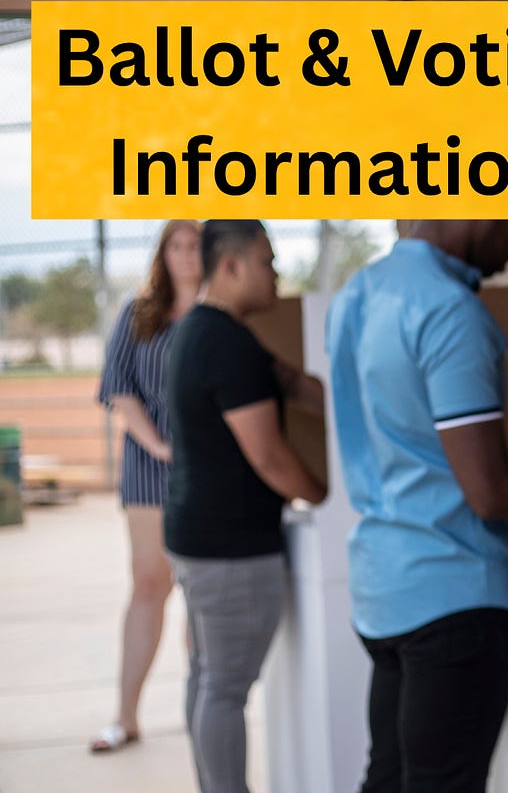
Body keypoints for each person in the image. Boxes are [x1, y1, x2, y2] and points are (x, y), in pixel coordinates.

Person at [326, 220, 508, 793]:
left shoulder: (356, 295)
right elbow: (489, 489)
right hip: (453, 596)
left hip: (380, 592)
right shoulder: (450, 311)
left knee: (386, 779)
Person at [165, 219, 327, 793]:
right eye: (267, 260)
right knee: (225, 687)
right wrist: (323, 492)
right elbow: (269, 458)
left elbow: (287, 384)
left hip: (197, 538)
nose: (276, 272)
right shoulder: (227, 344)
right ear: (231, 266)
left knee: (210, 677)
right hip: (230, 549)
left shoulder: (201, 331)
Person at [92, 219, 201, 753]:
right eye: (176, 246)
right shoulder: (139, 315)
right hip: (149, 465)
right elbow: (118, 388)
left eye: (195, 245)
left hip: (206, 468)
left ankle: (199, 715)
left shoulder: (217, 316)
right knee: (149, 584)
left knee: (199, 592)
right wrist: (159, 446)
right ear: (164, 253)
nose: (185, 255)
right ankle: (125, 716)